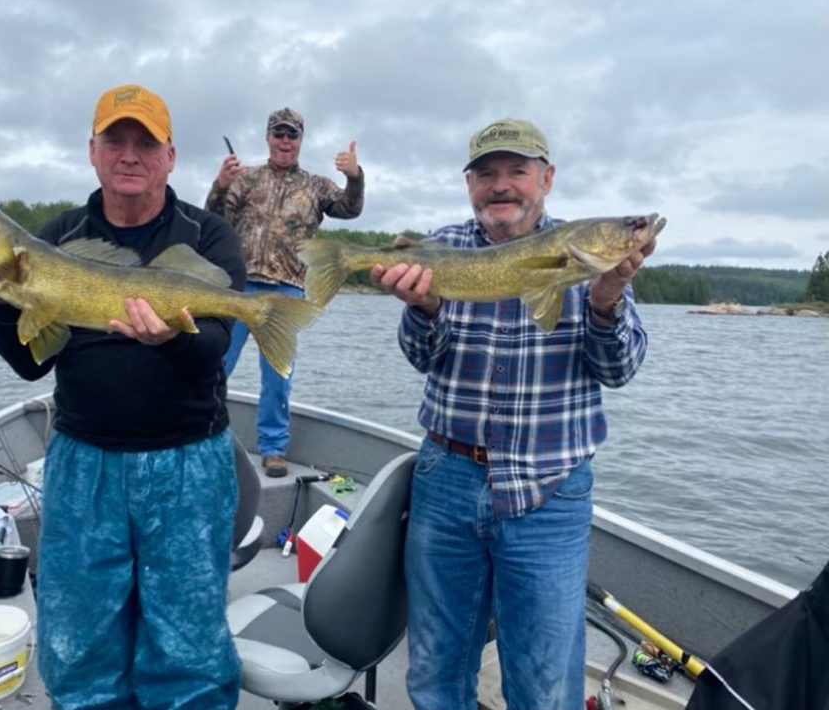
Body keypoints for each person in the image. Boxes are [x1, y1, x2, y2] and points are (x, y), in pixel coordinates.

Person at [0, 84, 245, 710]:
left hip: (188, 466)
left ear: (170, 156)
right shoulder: (58, 237)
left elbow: (213, 357)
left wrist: (171, 339)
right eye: (115, 139)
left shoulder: (208, 235)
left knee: (189, 650)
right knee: (80, 644)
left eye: (145, 141)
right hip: (83, 464)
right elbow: (28, 365)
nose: (129, 153)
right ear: (92, 151)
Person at [371, 118, 658, 710]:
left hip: (549, 491)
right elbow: (421, 357)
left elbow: (620, 370)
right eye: (486, 173)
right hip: (445, 480)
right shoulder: (443, 245)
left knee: (545, 682)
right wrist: (422, 310)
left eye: (517, 171)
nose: (501, 185)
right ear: (469, 182)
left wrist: (604, 303)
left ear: (546, 178)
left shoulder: (588, 260)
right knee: (434, 669)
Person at [205, 107, 364, 477]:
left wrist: (355, 178)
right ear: (268, 137)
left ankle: (273, 448)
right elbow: (213, 218)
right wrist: (221, 185)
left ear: (300, 140)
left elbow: (350, 209)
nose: (285, 141)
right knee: (214, 367)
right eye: (279, 134)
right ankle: (204, 437)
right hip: (239, 289)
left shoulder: (317, 185)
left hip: (287, 291)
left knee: (278, 375)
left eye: (292, 135)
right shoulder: (245, 180)